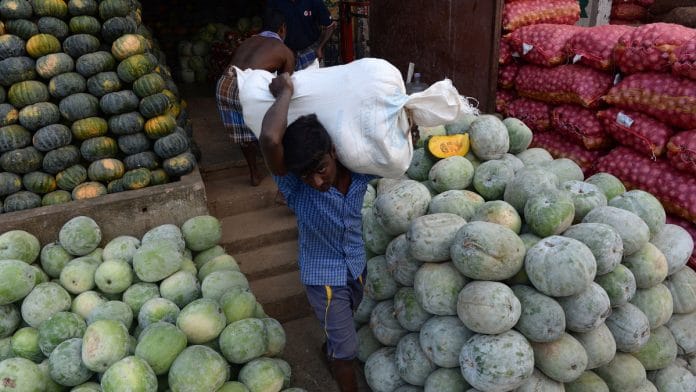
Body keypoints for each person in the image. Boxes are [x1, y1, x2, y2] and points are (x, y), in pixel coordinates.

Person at [259, 73, 373, 392]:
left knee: (342, 327)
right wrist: (285, 92)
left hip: (355, 266)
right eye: (308, 175)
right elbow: (269, 139)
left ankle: (332, 347)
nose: (317, 182)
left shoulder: (359, 172)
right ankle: (339, 360)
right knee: (347, 350)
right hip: (323, 276)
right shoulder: (298, 189)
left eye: (321, 169)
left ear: (334, 152)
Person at [215, 8, 295, 186]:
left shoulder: (248, 41)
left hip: (224, 84)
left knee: (242, 134)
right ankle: (283, 181)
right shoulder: (284, 51)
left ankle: (254, 174)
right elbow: (285, 85)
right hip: (247, 87)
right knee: (276, 128)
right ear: (282, 28)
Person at [266, 0, 337, 70]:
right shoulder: (275, 2)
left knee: (315, 80)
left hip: (311, 50)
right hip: (286, 51)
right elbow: (270, 28)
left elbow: (330, 26)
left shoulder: (314, 2)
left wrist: (320, 48)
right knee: (288, 81)